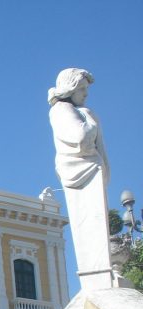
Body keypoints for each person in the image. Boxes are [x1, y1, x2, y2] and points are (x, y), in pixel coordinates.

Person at [48, 68, 113, 291]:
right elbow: (80, 138)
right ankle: (97, 277)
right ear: (71, 88)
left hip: (89, 171)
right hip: (80, 172)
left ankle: (102, 275)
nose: (85, 94)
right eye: (82, 88)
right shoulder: (61, 110)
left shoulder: (73, 110)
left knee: (96, 225)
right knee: (89, 225)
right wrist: (92, 121)